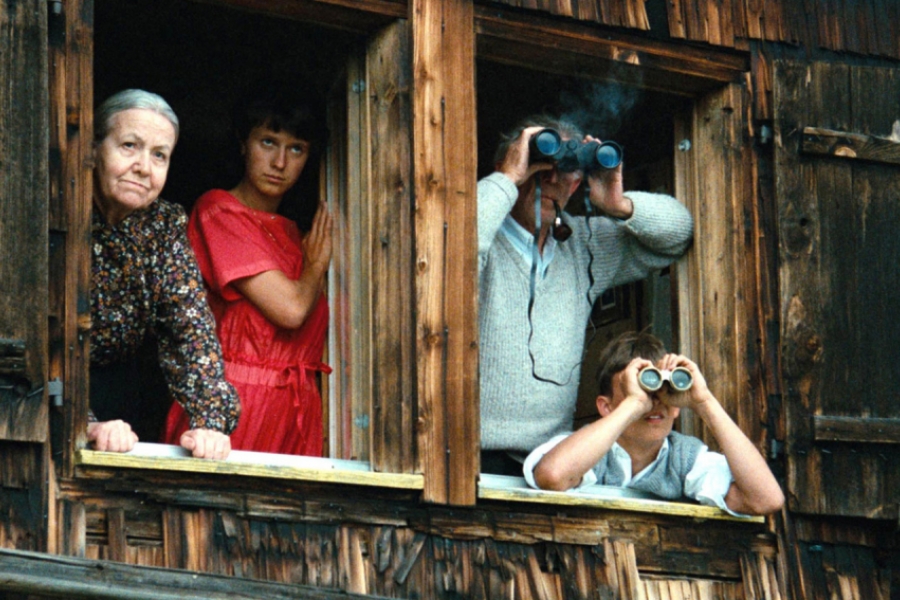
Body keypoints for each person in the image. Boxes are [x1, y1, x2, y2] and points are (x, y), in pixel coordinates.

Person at [478, 115, 694, 475]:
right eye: (539, 165)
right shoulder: (482, 233)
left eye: (565, 170)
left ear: (576, 182)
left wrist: (618, 204)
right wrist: (507, 178)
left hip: (551, 460)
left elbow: (678, 234)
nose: (552, 179)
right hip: (468, 452)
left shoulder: (583, 244)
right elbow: (450, 248)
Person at [162, 84, 332, 456]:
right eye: (268, 142)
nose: (280, 163)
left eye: (296, 149)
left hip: (296, 411)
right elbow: (291, 309)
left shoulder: (297, 235)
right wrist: (316, 266)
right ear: (243, 143)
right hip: (234, 407)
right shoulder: (218, 211)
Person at [89, 89, 240, 460]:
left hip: (120, 391)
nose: (144, 166)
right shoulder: (55, 208)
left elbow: (189, 326)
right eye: (129, 146)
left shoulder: (164, 224)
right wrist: (83, 422)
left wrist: (210, 422)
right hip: (41, 392)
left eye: (159, 155)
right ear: (92, 149)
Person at [523, 331, 785, 516]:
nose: (654, 402)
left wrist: (703, 401)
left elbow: (766, 500)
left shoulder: (684, 458)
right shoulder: (585, 449)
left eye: (663, 391)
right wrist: (634, 404)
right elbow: (552, 476)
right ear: (607, 407)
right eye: (640, 390)